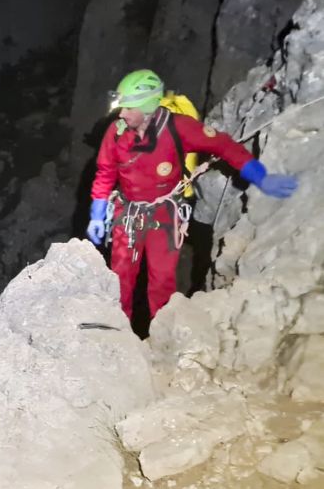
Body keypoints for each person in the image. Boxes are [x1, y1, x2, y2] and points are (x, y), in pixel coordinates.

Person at [86, 69, 298, 320]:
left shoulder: (178, 128)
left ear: (147, 107)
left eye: (129, 108)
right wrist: (97, 213)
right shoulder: (117, 132)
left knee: (162, 281)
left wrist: (260, 176)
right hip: (127, 214)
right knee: (120, 278)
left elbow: (223, 145)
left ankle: (161, 335)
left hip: (164, 215)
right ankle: (115, 332)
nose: (122, 113)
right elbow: (105, 172)